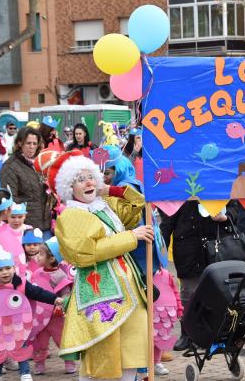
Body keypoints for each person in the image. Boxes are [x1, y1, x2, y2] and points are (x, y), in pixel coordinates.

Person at [49, 150, 155, 381]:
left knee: (133, 348)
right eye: (80, 179)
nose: (88, 182)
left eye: (91, 176)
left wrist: (112, 189)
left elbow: (139, 205)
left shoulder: (104, 204)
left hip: (130, 290)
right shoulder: (71, 215)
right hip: (100, 292)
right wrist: (131, 237)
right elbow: (88, 252)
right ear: (69, 187)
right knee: (103, 351)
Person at [159, 201, 231, 351]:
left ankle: (211, 334)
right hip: (187, 247)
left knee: (215, 293)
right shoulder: (179, 186)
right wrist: (159, 254)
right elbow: (167, 222)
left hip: (215, 246)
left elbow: (234, 209)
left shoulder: (217, 182)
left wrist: (226, 218)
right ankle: (187, 334)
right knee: (188, 293)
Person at [0, 249, 63, 381]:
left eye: (8, 268)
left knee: (21, 347)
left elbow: (38, 293)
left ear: (14, 268)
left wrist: (54, 299)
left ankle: (25, 372)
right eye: (0, 270)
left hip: (18, 325)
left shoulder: (22, 285)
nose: (5, 272)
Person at [31, 237, 76, 375]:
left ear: (51, 259)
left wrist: (61, 305)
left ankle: (69, 362)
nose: (37, 257)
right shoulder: (37, 273)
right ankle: (39, 363)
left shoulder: (61, 275)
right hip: (40, 315)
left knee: (62, 339)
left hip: (56, 317)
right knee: (40, 340)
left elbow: (66, 293)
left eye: (41, 254)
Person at [0, 127, 52, 234]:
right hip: (25, 226)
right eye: (28, 143)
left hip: (46, 223)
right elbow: (10, 198)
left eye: (34, 143)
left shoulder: (41, 162)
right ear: (20, 143)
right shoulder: (10, 166)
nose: (32, 147)